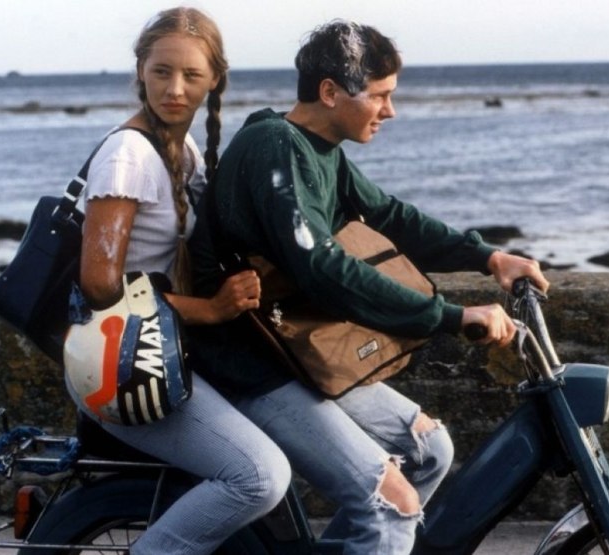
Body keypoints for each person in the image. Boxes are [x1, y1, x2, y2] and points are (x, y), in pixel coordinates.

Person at [190, 19, 550, 553]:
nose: (390, 110)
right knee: (391, 505)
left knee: (429, 451)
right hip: (252, 365)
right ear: (330, 92)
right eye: (379, 95)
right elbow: (323, 267)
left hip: (293, 352)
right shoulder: (274, 148)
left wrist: (488, 257)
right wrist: (450, 316)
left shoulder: (317, 149)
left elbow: (390, 217)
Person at [73, 8, 290, 554]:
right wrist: (212, 310)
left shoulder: (183, 150)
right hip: (123, 366)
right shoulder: (127, 155)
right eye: (161, 71)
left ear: (214, 78)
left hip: (161, 350)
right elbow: (99, 286)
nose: (174, 89)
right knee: (258, 476)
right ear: (140, 71)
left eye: (192, 75)